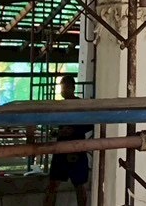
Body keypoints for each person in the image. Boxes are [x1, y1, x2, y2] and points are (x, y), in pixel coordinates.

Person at [43, 75, 92, 206]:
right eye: (61, 88)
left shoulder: (81, 105)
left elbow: (90, 124)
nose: (62, 91)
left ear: (72, 88)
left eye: (65, 88)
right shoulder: (60, 106)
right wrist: (58, 132)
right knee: (53, 184)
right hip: (61, 149)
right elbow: (53, 128)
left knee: (79, 185)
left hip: (77, 148)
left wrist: (74, 130)